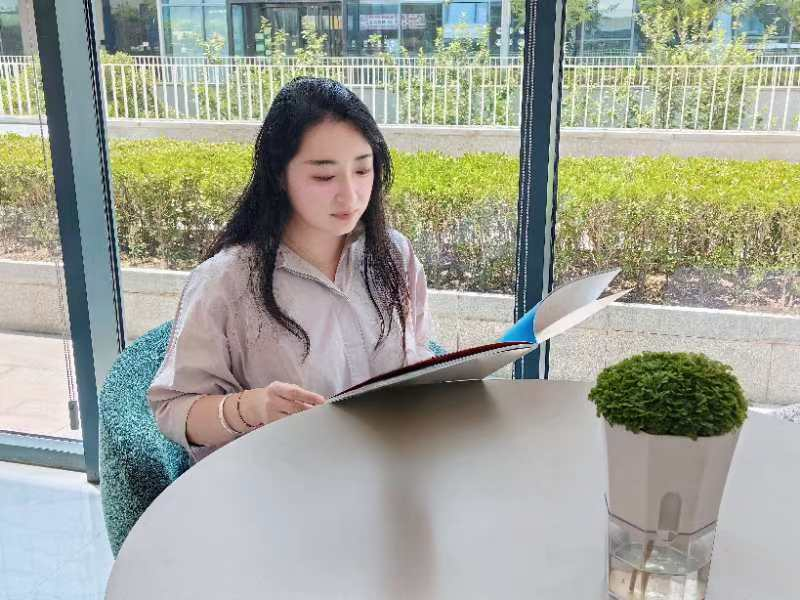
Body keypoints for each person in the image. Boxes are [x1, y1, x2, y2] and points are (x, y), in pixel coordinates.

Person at [148, 77, 434, 462]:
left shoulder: (394, 254)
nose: (350, 195)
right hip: (284, 480)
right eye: (324, 176)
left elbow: (417, 351)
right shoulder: (228, 281)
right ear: (280, 175)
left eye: (363, 170)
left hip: (391, 462)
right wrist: (253, 408)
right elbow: (173, 409)